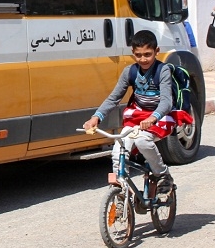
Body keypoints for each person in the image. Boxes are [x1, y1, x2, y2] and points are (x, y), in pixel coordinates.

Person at [82, 30, 192, 194]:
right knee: (119, 148)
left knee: (142, 141)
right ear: (133, 53)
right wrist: (96, 117)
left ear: (157, 51)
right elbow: (114, 98)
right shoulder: (129, 72)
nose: (143, 59)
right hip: (137, 117)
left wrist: (153, 117)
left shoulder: (162, 71)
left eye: (148, 54)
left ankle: (163, 174)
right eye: (138, 55)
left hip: (161, 117)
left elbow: (166, 102)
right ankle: (120, 189)